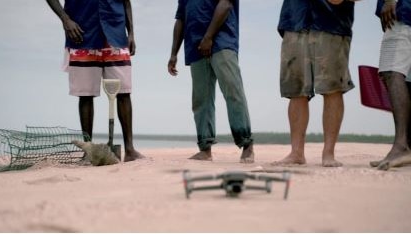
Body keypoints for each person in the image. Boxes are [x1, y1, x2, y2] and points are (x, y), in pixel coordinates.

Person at [46, 0, 144, 162]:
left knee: (124, 92)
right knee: (85, 95)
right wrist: (65, 19)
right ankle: (88, 150)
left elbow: (125, 2)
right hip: (82, 34)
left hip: (116, 35)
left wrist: (131, 33)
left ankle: (130, 150)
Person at [168, 0, 254, 163]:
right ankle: (205, 150)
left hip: (222, 42)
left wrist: (208, 37)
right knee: (201, 99)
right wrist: (173, 53)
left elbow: (226, 4)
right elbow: (181, 19)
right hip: (195, 47)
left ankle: (247, 146)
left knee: (233, 91)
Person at [274, 0, 356, 167]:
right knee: (296, 90)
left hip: (333, 23)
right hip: (295, 21)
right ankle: (296, 153)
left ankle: (329, 153)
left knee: (333, 88)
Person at [370, 0, 411, 169]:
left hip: (403, 12)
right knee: (408, 78)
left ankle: (401, 146)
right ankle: (408, 146)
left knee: (391, 71)